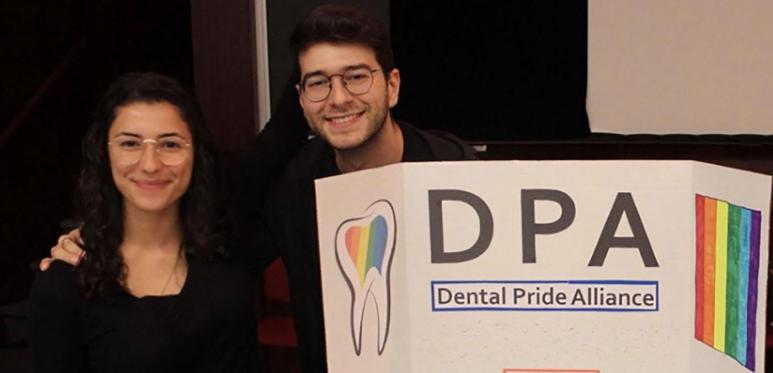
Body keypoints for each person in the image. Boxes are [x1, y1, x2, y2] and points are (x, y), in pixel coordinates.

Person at [42, 4, 477, 372]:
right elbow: (208, 230)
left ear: (393, 85)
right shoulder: (292, 187)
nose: (339, 97)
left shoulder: (459, 171)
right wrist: (102, 238)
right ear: (301, 96)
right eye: (319, 82)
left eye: (357, 77)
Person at [29, 72, 259, 372]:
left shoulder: (229, 273)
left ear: (196, 155)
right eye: (130, 144)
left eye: (171, 144)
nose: (150, 164)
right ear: (104, 153)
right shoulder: (65, 282)